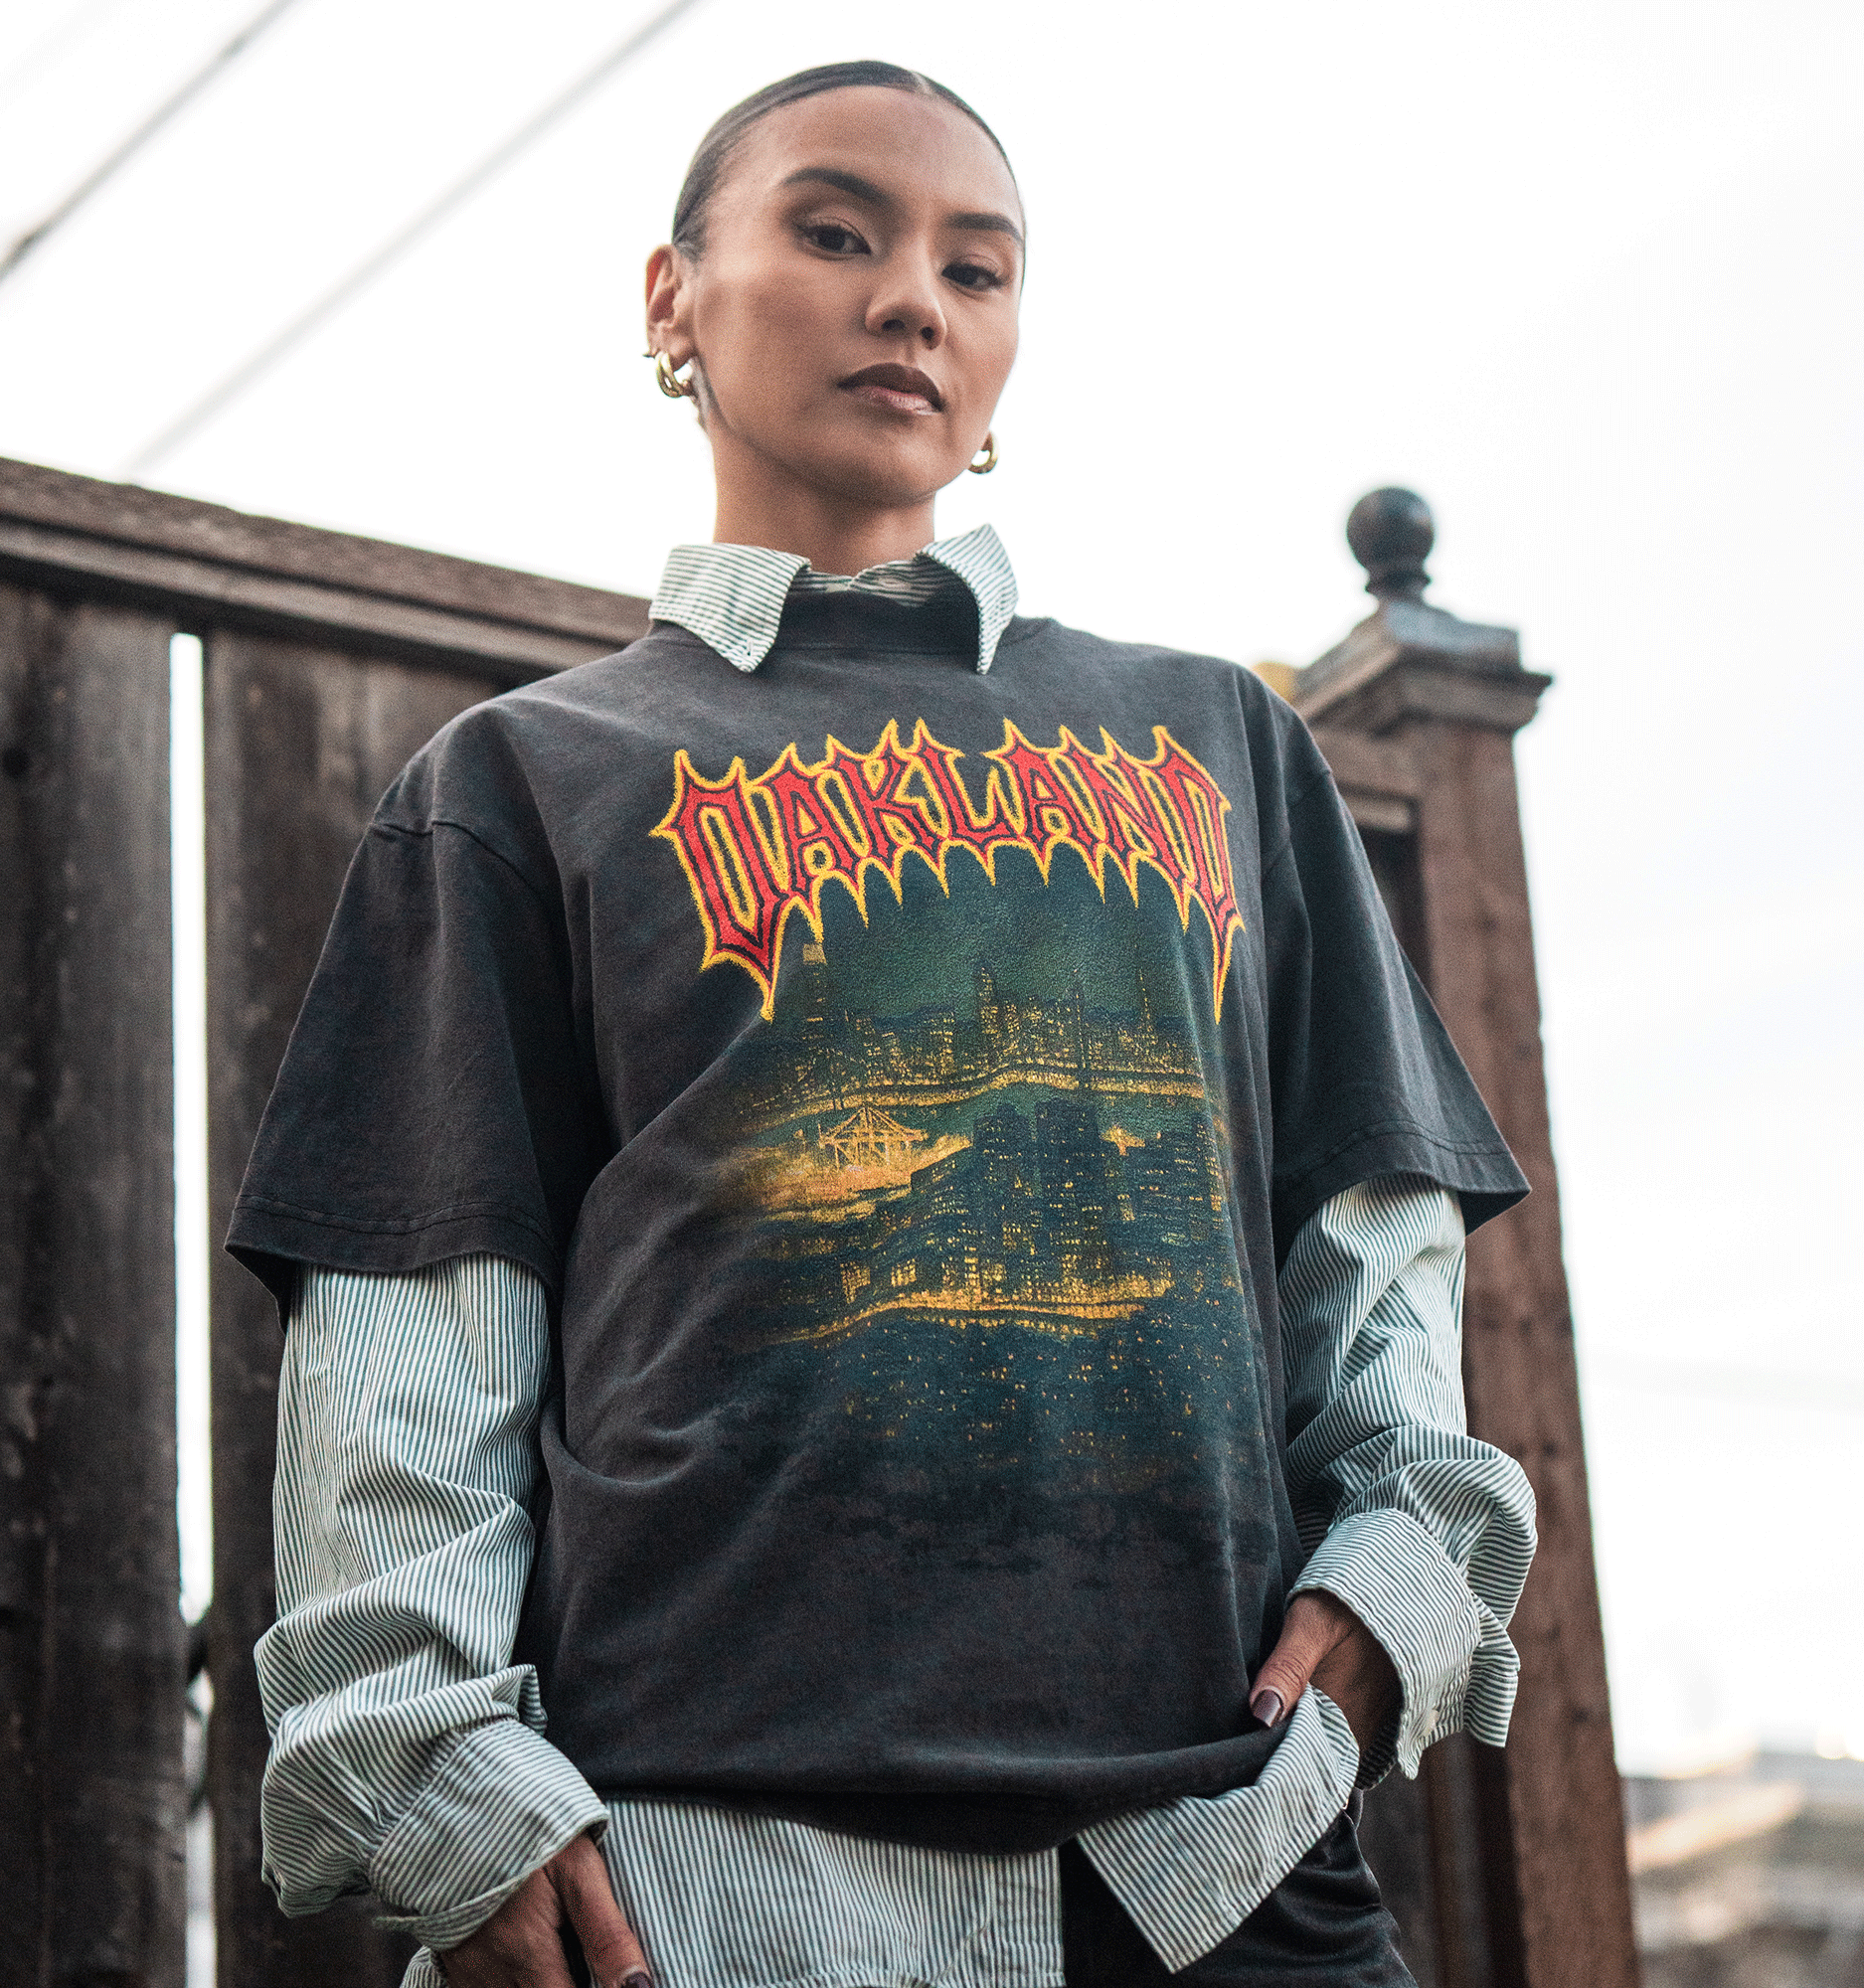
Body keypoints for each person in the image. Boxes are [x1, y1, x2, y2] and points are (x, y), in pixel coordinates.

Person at [231, 61, 1537, 1988]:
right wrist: (439, 1772)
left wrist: (1395, 1579)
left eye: (974, 265)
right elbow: (416, 1348)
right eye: (836, 232)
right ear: (670, 298)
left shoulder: (1219, 743)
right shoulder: (519, 781)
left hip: (1214, 1848)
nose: (911, 297)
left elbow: (1373, 1242)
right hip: (692, 1874)